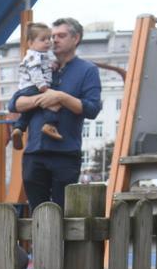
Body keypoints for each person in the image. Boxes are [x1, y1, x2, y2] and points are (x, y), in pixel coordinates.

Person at [9, 18, 102, 208]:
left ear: (76, 39)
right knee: (37, 213)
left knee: (64, 214)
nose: (54, 40)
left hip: (65, 153)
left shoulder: (87, 70)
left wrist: (60, 97)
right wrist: (41, 99)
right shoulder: (39, 64)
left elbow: (92, 109)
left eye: (61, 35)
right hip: (34, 152)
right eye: (52, 36)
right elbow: (14, 103)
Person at [10, 23, 61, 151]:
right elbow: (35, 72)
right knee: (53, 103)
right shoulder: (33, 56)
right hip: (33, 86)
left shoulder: (43, 55)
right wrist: (43, 87)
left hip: (29, 88)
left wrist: (53, 65)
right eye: (43, 39)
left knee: (27, 112)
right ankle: (49, 124)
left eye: (49, 39)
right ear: (31, 43)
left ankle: (18, 129)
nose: (47, 42)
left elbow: (46, 66)